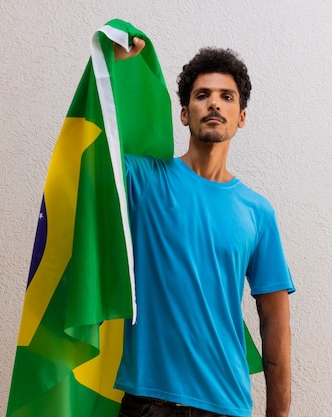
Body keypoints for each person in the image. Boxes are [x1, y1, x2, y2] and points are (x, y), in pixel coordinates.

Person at [113, 38, 295, 417]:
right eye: (203, 95)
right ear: (184, 113)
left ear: (241, 116)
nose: (214, 103)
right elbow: (93, 147)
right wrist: (111, 68)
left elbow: (274, 319)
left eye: (227, 96)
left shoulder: (257, 212)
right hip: (148, 404)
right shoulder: (143, 179)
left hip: (225, 405)